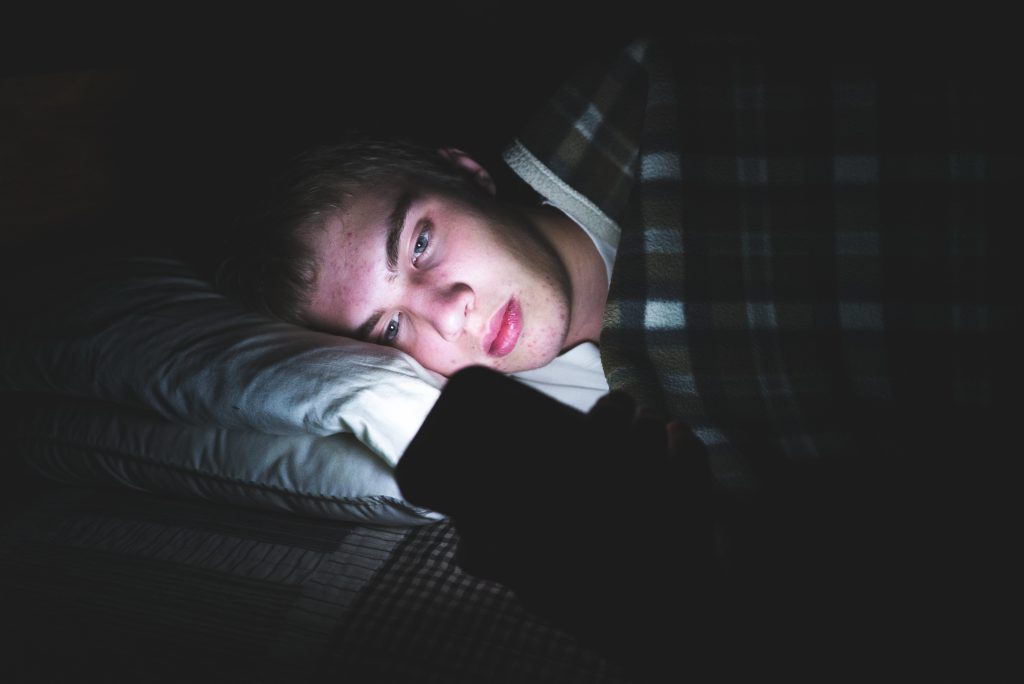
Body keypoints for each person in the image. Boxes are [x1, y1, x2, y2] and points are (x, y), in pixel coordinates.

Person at [217, 36, 1016, 680]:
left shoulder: (664, 87)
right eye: (389, 329)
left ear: (464, 173)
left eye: (420, 242)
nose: (448, 308)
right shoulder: (612, 435)